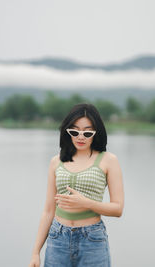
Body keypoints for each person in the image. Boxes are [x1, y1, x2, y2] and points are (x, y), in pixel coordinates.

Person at [28, 103, 125, 267]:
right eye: (74, 131)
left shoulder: (109, 160)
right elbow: (48, 210)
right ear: (67, 132)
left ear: (96, 133)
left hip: (92, 240)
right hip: (57, 238)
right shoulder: (56, 161)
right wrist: (36, 252)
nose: (80, 137)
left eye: (87, 132)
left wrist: (87, 203)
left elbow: (118, 209)